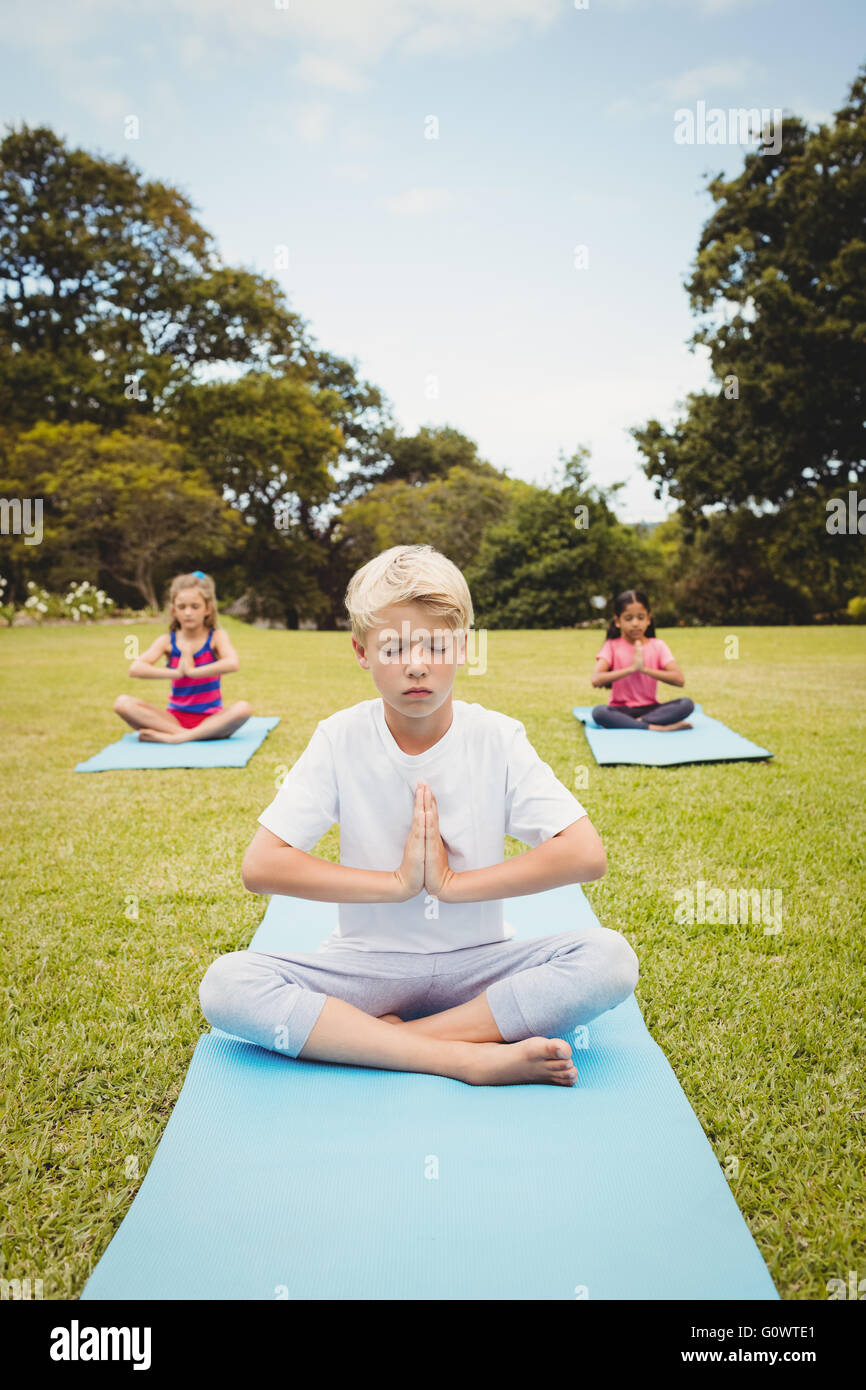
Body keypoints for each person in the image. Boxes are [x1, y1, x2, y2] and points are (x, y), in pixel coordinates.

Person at [199, 545, 639, 1089]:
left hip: (479, 967)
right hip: (367, 969)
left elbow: (585, 853)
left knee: (609, 958)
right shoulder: (340, 738)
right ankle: (462, 1057)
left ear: (463, 649)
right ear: (361, 651)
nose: (416, 664)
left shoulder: (497, 738)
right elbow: (261, 866)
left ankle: (393, 1041)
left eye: (435, 645)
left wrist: (454, 887)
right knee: (227, 983)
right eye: (394, 647)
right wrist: (398, 884)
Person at [113, 570, 253, 743]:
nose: (188, 613)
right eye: (182, 607)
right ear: (173, 611)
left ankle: (178, 738)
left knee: (243, 709)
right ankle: (185, 734)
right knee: (122, 703)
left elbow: (233, 663)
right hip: (173, 719)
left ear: (207, 609)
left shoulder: (216, 637)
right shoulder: (167, 641)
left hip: (211, 719)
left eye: (195, 607)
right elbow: (135, 669)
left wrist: (193, 672)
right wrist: (178, 672)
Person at [590, 589, 694, 731]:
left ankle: (636, 723)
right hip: (620, 710)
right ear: (617, 621)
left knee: (686, 704)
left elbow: (679, 680)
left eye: (640, 617)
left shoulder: (658, 645)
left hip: (651, 710)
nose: (635, 623)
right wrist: (631, 669)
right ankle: (655, 727)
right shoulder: (611, 646)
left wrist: (644, 669)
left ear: (648, 619)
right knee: (599, 712)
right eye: (628, 618)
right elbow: (596, 679)